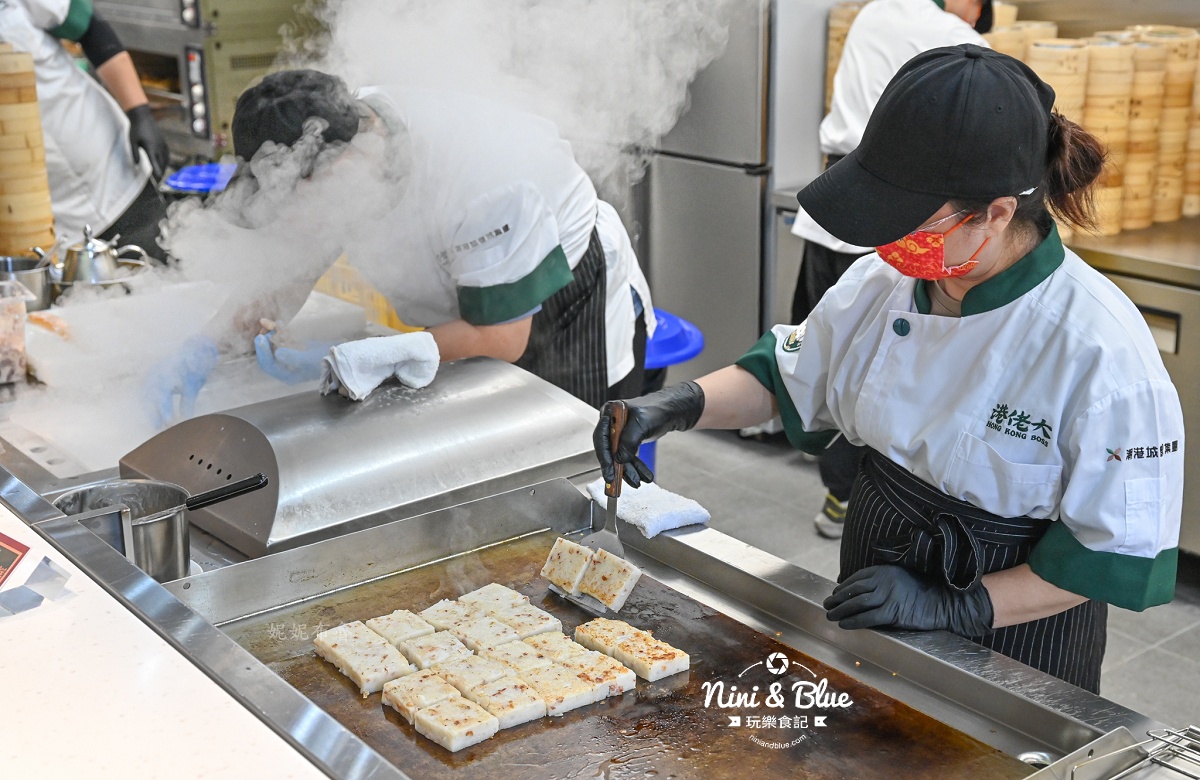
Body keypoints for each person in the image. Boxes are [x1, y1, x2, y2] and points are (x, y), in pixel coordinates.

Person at [595, 45, 1183, 694]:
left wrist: (957, 605)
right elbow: (789, 376)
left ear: (995, 213)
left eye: (912, 224)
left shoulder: (1101, 348)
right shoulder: (888, 282)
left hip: (1018, 640)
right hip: (876, 590)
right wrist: (678, 405)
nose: (888, 245)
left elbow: (1106, 555)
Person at [149, 69, 653, 425]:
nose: (302, 223)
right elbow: (289, 268)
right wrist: (205, 344)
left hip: (560, 309)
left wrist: (360, 356)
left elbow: (499, 339)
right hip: (464, 313)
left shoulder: (484, 176)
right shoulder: (338, 135)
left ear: (343, 167)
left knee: (567, 475)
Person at [792, 0, 991, 540]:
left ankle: (847, 494)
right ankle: (850, 494)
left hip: (859, 207)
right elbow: (789, 366)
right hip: (895, 216)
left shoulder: (876, 11)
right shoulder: (964, 48)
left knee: (850, 362)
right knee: (852, 359)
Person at [0, 0, 171, 259]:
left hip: (112, 172)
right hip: (35, 219)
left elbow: (89, 27)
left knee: (165, 280)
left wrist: (139, 112)